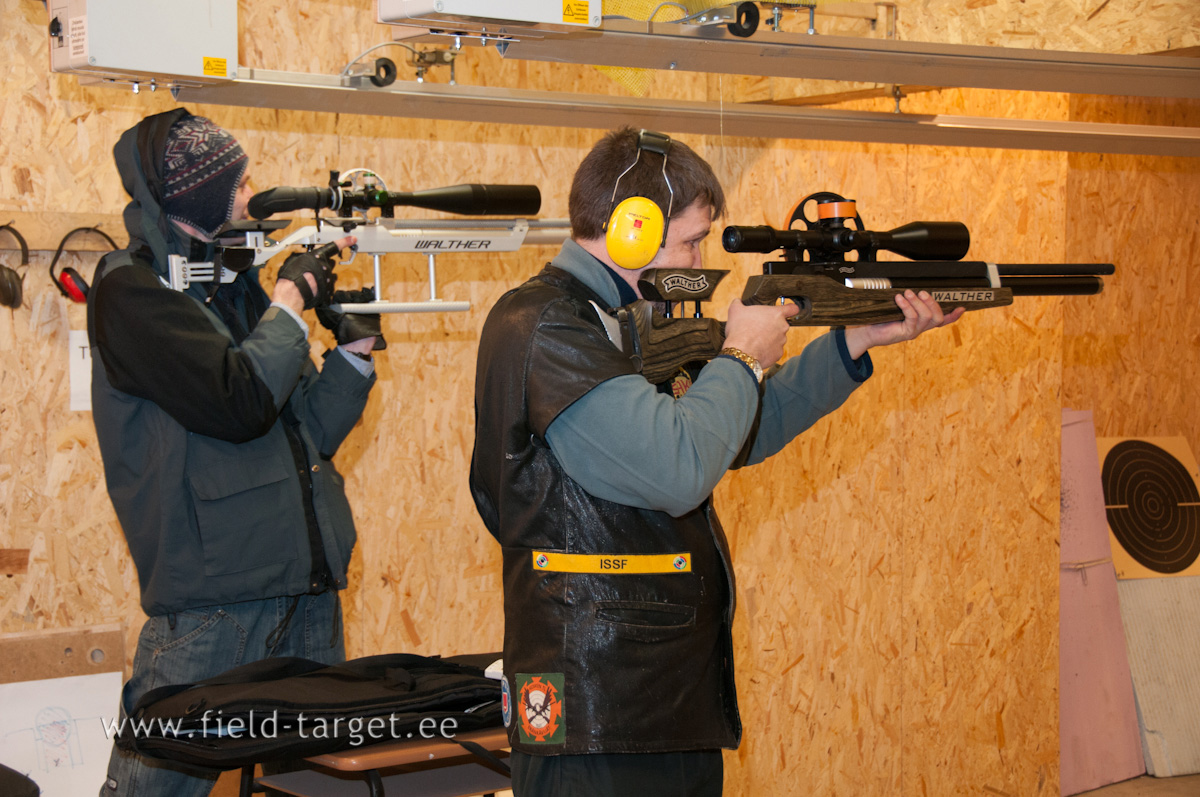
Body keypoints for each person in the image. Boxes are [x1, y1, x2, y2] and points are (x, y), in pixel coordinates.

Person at [469, 127, 963, 797]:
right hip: (598, 708)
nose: (699, 258)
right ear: (631, 230)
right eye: (692, 239)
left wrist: (854, 341)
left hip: (652, 698)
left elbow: (732, 432)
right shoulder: (551, 327)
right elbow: (681, 467)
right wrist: (741, 357)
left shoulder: (618, 323)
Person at [89, 108, 383, 796]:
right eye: (240, 183)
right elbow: (236, 401)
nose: (251, 196)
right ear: (196, 191)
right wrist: (287, 302)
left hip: (306, 595)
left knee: (309, 788)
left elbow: (306, 431)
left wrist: (355, 352)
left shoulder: (234, 288)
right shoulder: (130, 291)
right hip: (212, 611)